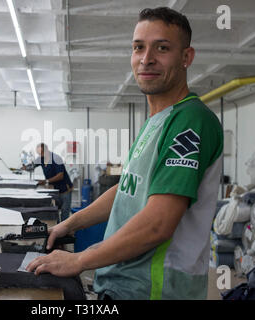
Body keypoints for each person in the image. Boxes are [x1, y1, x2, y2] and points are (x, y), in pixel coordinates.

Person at [26, 7, 223, 300]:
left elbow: (158, 224)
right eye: (138, 47)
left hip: (155, 290)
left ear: (186, 57)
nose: (147, 58)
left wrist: (79, 260)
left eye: (162, 48)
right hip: (122, 284)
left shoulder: (191, 121)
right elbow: (127, 189)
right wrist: (70, 223)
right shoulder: (154, 123)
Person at [33, 143, 73, 222]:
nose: (40, 155)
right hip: (54, 189)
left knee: (64, 213)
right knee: (55, 211)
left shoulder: (56, 158)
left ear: (46, 150)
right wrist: (24, 166)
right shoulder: (41, 158)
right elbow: (32, 165)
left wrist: (45, 181)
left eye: (41, 153)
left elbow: (60, 175)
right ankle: (58, 228)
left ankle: (65, 233)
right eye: (39, 154)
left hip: (64, 189)